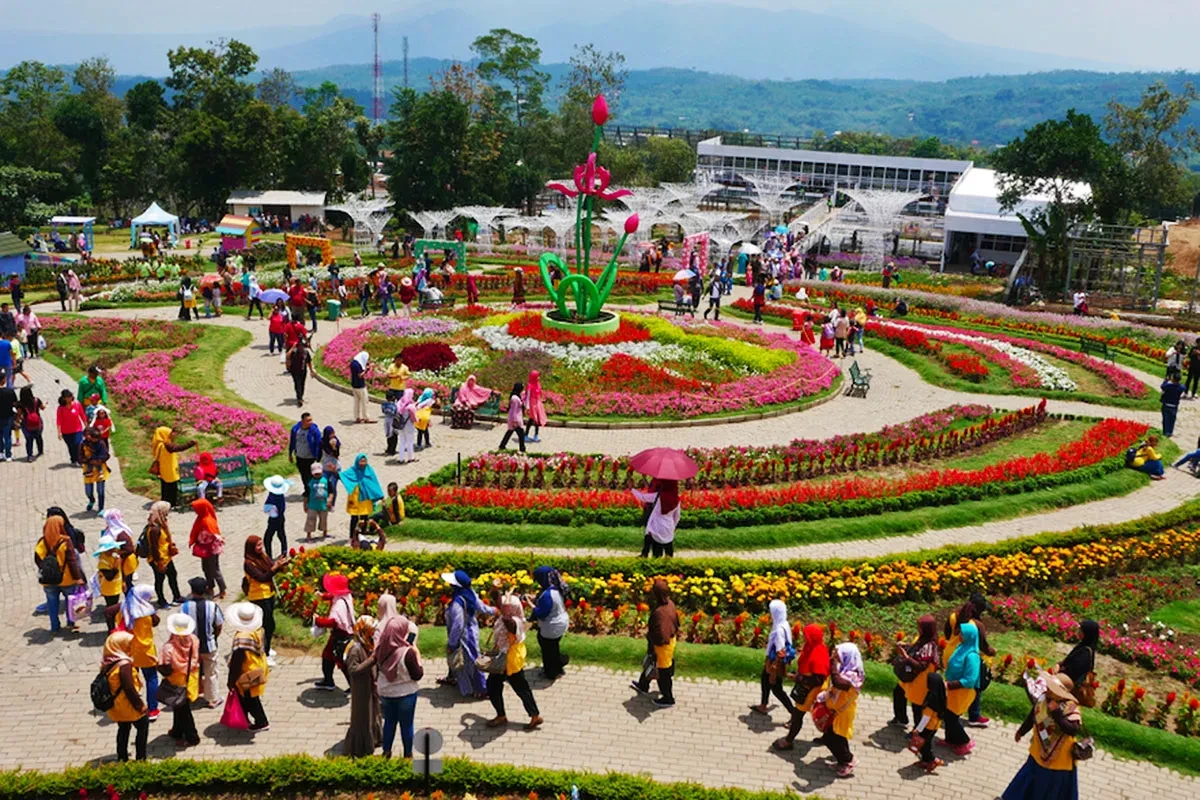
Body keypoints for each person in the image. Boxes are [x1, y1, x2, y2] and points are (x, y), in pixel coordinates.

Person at [1003, 673, 1083, 800]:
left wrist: (1057, 713)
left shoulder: (1070, 707)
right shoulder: (1044, 698)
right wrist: (1021, 731)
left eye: (1052, 688)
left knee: (1049, 789)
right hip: (1038, 749)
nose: (1048, 689)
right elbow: (1033, 715)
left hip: (1058, 760)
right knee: (1028, 777)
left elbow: (1073, 730)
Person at [485, 594, 543, 730]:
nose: (501, 607)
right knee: (517, 687)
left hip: (508, 660)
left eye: (505, 606)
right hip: (505, 658)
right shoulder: (507, 616)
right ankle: (533, 715)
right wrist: (495, 590)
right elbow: (500, 605)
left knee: (499, 686)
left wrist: (503, 610)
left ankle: (503, 716)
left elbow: (507, 620)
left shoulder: (514, 622)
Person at [774, 623, 831, 750]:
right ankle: (828, 737)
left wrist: (798, 678)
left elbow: (817, 679)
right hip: (806, 684)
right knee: (821, 714)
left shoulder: (818, 654)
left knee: (798, 714)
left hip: (812, 689)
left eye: (807, 636)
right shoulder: (812, 646)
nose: (804, 638)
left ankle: (788, 741)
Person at [375, 614, 424, 758]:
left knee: (389, 722)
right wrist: (417, 654)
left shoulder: (380, 648)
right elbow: (418, 675)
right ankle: (408, 755)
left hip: (386, 693)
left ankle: (386, 752)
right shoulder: (407, 653)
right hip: (406, 694)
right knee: (407, 725)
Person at [440, 569, 491, 698]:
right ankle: (453, 678)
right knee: (460, 659)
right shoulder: (470, 594)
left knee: (472, 660)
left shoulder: (458, 603)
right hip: (472, 633)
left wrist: (452, 643)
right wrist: (494, 610)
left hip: (465, 637)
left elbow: (458, 625)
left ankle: (481, 689)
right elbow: (483, 608)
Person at [817, 642, 865, 778]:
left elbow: (839, 682)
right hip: (835, 710)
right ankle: (842, 760)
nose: (836, 656)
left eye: (838, 654)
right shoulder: (844, 668)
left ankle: (849, 760)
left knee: (833, 737)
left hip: (842, 713)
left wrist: (832, 664)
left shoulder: (854, 674)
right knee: (836, 737)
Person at [100, 632, 149, 761]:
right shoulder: (124, 665)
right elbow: (129, 688)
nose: (131, 647)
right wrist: (140, 706)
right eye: (128, 644)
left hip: (116, 705)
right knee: (143, 726)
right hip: (127, 704)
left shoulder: (108, 661)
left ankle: (122, 757)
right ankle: (141, 758)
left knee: (123, 728)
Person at [631, 579, 678, 707]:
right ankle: (643, 685)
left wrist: (653, 640)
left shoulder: (660, 612)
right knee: (649, 662)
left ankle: (668, 698)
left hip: (662, 645)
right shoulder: (670, 604)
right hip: (670, 640)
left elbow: (661, 633)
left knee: (663, 672)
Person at [118, 584, 162, 721]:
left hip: (129, 650)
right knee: (151, 678)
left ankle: (132, 704)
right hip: (146, 651)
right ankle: (152, 709)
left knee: (130, 678)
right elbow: (156, 622)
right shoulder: (147, 611)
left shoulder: (124, 608)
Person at [35, 515, 85, 634]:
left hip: (48, 581)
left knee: (52, 604)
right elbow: (72, 561)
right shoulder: (65, 541)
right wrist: (78, 578)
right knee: (70, 601)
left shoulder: (41, 542)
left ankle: (54, 627)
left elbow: (37, 560)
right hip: (67, 579)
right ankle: (71, 623)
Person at [243, 534, 288, 665]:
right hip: (258, 597)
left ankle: (266, 648)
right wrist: (274, 568)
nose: (261, 547)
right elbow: (262, 577)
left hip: (269, 593)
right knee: (265, 625)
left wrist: (278, 564)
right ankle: (264, 653)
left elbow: (270, 567)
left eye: (261, 544)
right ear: (251, 547)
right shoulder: (248, 563)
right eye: (258, 545)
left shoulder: (263, 556)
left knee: (269, 624)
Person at [226, 601, 270, 731]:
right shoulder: (258, 630)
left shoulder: (241, 637)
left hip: (247, 671)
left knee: (250, 698)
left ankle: (261, 722)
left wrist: (231, 679)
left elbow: (237, 661)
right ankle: (246, 718)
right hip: (259, 666)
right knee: (250, 697)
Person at [158, 612, 201, 747]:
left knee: (183, 711)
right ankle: (177, 730)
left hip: (176, 681)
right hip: (191, 677)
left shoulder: (169, 648)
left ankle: (192, 737)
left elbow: (165, 666)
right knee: (179, 706)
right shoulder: (194, 639)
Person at [890, 614, 941, 726]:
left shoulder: (930, 645)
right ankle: (901, 718)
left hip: (920, 680)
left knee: (917, 706)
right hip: (911, 676)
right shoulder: (923, 638)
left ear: (926, 629)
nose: (918, 628)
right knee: (898, 692)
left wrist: (905, 656)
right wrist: (906, 645)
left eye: (920, 627)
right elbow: (917, 647)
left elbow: (921, 666)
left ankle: (917, 732)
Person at [940, 620, 982, 756]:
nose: (960, 636)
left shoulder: (972, 656)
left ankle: (965, 741)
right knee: (947, 715)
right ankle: (950, 740)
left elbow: (970, 680)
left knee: (952, 718)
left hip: (962, 692)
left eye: (963, 634)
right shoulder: (962, 647)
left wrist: (949, 685)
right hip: (952, 690)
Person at [181, 576, 224, 708]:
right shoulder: (213, 606)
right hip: (209, 645)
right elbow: (219, 625)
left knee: (193, 670)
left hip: (191, 646)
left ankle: (192, 693)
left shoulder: (184, 607)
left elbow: (180, 626)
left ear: (192, 590)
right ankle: (212, 699)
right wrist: (214, 637)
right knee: (211, 672)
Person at [344, 615, 383, 757]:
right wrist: (372, 660)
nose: (373, 633)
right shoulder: (355, 649)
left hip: (371, 685)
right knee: (363, 716)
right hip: (361, 689)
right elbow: (353, 670)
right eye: (371, 631)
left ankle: (375, 739)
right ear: (364, 631)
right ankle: (360, 747)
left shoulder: (368, 644)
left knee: (373, 712)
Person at [754, 599, 797, 717]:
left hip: (774, 663)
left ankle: (794, 714)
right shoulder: (784, 623)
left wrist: (773, 672)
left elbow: (780, 651)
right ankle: (763, 705)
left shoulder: (778, 630)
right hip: (772, 661)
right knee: (764, 680)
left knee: (777, 689)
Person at [314, 573, 356, 691]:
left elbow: (333, 622)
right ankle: (329, 680)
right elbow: (332, 596)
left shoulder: (339, 605)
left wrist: (317, 621)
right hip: (344, 632)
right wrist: (323, 596)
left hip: (340, 634)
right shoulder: (345, 596)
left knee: (342, 661)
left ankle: (353, 685)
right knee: (329, 656)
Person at [528, 566, 570, 680]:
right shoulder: (556, 588)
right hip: (562, 623)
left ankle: (550, 672)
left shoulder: (547, 595)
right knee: (553, 646)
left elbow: (541, 613)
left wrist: (531, 605)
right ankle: (559, 664)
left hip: (552, 626)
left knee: (546, 647)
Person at [144, 500, 182, 607]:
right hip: (158, 559)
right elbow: (154, 548)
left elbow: (164, 540)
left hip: (166, 557)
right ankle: (161, 600)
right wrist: (159, 563)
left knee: (172, 575)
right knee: (160, 579)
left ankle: (177, 597)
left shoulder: (162, 523)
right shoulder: (154, 529)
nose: (167, 514)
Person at [633, 478, 680, 558]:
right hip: (668, 527)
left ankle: (648, 558)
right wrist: (674, 526)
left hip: (656, 526)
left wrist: (632, 489)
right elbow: (677, 516)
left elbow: (643, 497)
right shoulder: (677, 500)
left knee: (657, 554)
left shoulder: (658, 496)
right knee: (669, 552)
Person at [189, 498, 226, 598]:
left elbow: (214, 533)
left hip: (211, 549)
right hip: (204, 549)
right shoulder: (201, 518)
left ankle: (222, 589)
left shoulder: (207, 520)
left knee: (215, 570)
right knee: (206, 568)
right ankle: (210, 586)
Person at [341, 453, 385, 537]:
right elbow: (342, 476)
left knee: (364, 517)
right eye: (361, 461)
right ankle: (352, 536)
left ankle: (362, 534)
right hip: (355, 497)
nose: (363, 463)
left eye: (364, 461)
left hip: (365, 498)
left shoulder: (369, 470)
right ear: (357, 461)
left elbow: (374, 483)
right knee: (354, 518)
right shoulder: (352, 470)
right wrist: (335, 471)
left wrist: (380, 496)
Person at [1057, 619, 1100, 703]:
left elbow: (1074, 673)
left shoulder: (1085, 653)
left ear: (1087, 633)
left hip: (1072, 686)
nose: (1078, 631)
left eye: (1081, 630)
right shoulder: (1081, 646)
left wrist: (1060, 670)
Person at [151, 426, 196, 506]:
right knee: (171, 488)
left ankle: (165, 503)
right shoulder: (166, 446)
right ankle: (171, 504)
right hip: (169, 471)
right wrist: (191, 443)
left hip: (163, 470)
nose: (171, 435)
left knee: (165, 488)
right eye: (169, 434)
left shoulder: (158, 444)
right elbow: (179, 448)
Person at [288, 413, 322, 499]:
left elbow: (319, 444)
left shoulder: (314, 430)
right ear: (302, 421)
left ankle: (313, 492)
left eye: (311, 420)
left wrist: (318, 457)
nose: (310, 422)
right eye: (308, 420)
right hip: (299, 457)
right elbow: (292, 441)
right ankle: (307, 490)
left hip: (310, 458)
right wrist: (290, 454)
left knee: (311, 476)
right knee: (303, 475)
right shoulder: (296, 429)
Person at [79, 427, 110, 512]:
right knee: (88, 491)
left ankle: (101, 508)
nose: (88, 437)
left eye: (89, 435)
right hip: (88, 470)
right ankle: (91, 500)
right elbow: (80, 457)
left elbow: (106, 455)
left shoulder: (101, 443)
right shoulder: (83, 444)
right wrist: (88, 461)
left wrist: (99, 461)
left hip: (100, 469)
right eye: (86, 435)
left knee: (100, 490)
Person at [261, 475, 290, 559]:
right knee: (281, 534)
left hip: (274, 519)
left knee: (267, 538)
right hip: (281, 518)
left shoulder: (273, 497)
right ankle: (284, 551)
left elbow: (266, 509)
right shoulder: (281, 496)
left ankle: (269, 555)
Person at [56, 390, 87, 466]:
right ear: (64, 398)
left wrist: (86, 425)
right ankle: (73, 459)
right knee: (71, 446)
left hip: (77, 429)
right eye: (67, 397)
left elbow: (82, 415)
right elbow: (59, 420)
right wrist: (59, 432)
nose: (70, 399)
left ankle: (80, 460)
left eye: (70, 397)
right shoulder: (61, 408)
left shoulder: (77, 404)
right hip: (66, 431)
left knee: (78, 444)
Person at [304, 463, 331, 540]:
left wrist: (330, 500)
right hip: (312, 505)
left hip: (323, 504)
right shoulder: (310, 482)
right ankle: (309, 535)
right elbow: (306, 494)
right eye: (315, 474)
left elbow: (331, 491)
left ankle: (325, 532)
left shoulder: (326, 480)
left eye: (319, 473)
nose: (317, 475)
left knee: (324, 519)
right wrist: (305, 505)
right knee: (310, 520)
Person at [17, 385, 44, 461]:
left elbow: (19, 414)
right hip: (38, 421)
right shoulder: (36, 400)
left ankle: (30, 455)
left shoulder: (20, 404)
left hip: (26, 423)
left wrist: (18, 420)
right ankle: (40, 451)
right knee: (39, 437)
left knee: (29, 440)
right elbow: (42, 407)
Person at [286, 335, 315, 406]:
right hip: (294, 371)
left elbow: (309, 362)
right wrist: (293, 347)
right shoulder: (294, 352)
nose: (300, 348)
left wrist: (311, 371)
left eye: (302, 346)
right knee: (297, 384)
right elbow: (287, 355)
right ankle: (299, 398)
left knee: (302, 384)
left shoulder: (306, 353)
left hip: (303, 371)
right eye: (299, 346)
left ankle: (301, 395)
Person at [498, 382, 526, 452]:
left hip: (515, 418)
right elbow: (514, 410)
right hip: (515, 419)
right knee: (521, 434)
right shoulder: (515, 399)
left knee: (510, 432)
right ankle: (522, 449)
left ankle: (502, 445)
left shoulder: (516, 397)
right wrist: (515, 421)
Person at [524, 371, 547, 443]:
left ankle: (535, 435)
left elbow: (539, 394)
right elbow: (527, 396)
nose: (539, 378)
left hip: (537, 403)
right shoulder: (530, 385)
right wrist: (527, 407)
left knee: (537, 420)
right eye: (537, 376)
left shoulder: (538, 384)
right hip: (532, 404)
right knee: (532, 420)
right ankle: (526, 435)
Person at [395, 388, 417, 463]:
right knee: (410, 442)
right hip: (409, 426)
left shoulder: (399, 403)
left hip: (400, 425)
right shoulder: (411, 406)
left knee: (401, 441)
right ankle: (411, 457)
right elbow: (414, 418)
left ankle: (401, 458)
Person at [350, 351, 372, 423]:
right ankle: (366, 417)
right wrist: (366, 370)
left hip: (354, 385)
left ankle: (357, 417)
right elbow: (360, 375)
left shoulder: (353, 362)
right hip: (360, 386)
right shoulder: (358, 365)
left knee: (356, 402)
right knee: (365, 401)